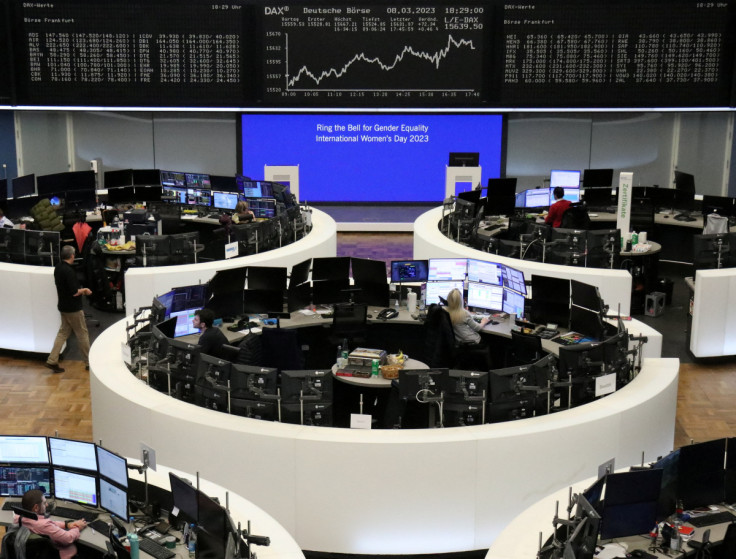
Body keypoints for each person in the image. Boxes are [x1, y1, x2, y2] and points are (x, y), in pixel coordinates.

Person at [46, 245, 92, 373]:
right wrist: (85, 290)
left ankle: (52, 360)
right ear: (72, 256)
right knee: (82, 333)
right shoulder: (69, 271)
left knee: (63, 333)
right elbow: (74, 292)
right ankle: (89, 361)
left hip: (63, 306)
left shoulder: (58, 268)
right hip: (73, 308)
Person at [13, 489, 87, 559]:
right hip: (55, 554)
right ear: (36, 508)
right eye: (44, 503)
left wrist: (66, 524)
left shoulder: (18, 518)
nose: (47, 505)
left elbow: (50, 524)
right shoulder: (44, 525)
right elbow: (68, 538)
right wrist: (78, 527)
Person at [445, 289, 492, 369]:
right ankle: (489, 368)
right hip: (473, 341)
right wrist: (484, 321)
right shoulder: (464, 313)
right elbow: (477, 328)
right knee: (492, 341)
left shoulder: (445, 312)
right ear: (461, 301)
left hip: (459, 342)